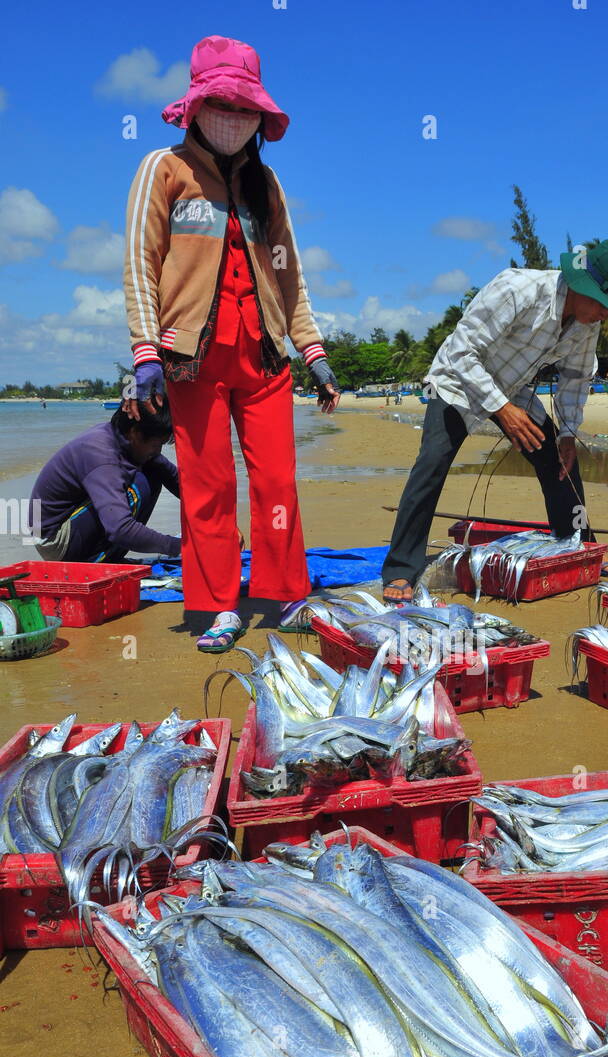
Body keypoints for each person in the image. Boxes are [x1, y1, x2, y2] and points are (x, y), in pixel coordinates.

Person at [123, 35, 340, 652]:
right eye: (222, 105)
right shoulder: (163, 170)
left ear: (259, 118)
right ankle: (218, 603)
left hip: (264, 356)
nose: (233, 118)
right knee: (208, 484)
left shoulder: (265, 185)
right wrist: (145, 353)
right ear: (195, 106)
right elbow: (140, 263)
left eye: (245, 109)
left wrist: (315, 354)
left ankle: (283, 593)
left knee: (277, 481)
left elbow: (289, 274)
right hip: (191, 360)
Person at [381, 239, 608, 602]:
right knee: (432, 464)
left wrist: (567, 434)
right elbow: (461, 350)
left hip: (513, 389)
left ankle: (581, 550)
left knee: (560, 463)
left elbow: (575, 379)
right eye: (605, 305)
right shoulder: (517, 289)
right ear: (583, 287)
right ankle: (400, 569)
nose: (606, 316)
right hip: (458, 381)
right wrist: (501, 409)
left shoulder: (587, 323)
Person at [28, 404, 181, 563]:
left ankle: (108, 556)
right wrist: (178, 546)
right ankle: (94, 562)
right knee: (140, 485)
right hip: (54, 540)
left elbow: (175, 479)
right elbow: (121, 529)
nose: (158, 451)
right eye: (156, 445)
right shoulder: (102, 455)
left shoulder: (125, 438)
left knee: (154, 472)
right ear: (135, 433)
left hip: (74, 521)